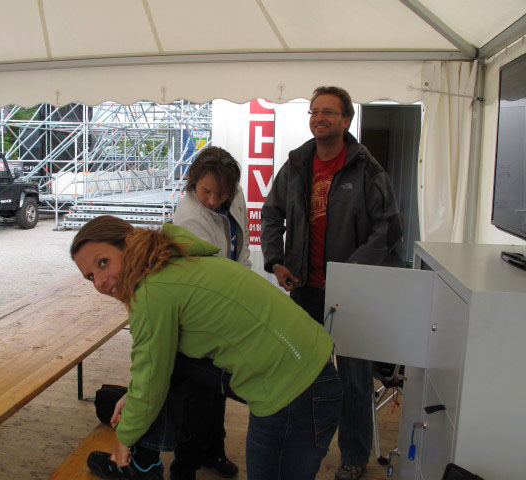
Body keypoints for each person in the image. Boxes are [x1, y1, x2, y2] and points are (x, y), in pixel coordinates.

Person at [70, 215, 342, 480]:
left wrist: (123, 439)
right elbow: (154, 367)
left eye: (103, 263)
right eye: (90, 276)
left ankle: (137, 466)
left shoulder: (152, 293)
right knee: (173, 366)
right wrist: (133, 395)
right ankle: (145, 464)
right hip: (309, 371)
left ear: (129, 243)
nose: (101, 282)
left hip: (296, 393)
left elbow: (150, 378)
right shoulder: (173, 260)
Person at [260, 86, 403, 480]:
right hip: (304, 289)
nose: (319, 118)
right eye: (314, 111)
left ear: (345, 120)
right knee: (303, 371)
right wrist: (276, 260)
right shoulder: (296, 165)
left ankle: (354, 458)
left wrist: (349, 273)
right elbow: (272, 214)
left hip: (350, 294)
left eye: (328, 112)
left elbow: (388, 230)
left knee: (355, 380)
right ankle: (306, 444)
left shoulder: (367, 170)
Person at [171, 146, 249, 479]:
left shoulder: (234, 194)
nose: (214, 200)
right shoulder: (189, 216)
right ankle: (184, 466)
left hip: (227, 302)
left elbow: (241, 248)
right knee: (197, 394)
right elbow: (209, 275)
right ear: (193, 183)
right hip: (200, 312)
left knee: (218, 388)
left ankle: (213, 451)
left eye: (222, 193)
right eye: (206, 192)